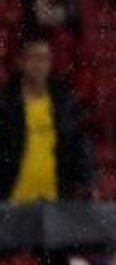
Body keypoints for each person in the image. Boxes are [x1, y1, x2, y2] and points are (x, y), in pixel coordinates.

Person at [0, 38, 93, 202]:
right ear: (21, 62)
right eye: (32, 58)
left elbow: (78, 143)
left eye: (43, 58)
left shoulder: (64, 101)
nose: (38, 64)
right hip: (11, 199)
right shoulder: (6, 102)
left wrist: (85, 182)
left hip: (55, 199)